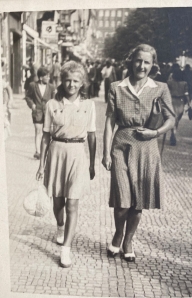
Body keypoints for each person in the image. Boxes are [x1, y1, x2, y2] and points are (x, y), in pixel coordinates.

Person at [102, 44, 175, 262]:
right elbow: (109, 122)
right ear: (131, 61)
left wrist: (155, 132)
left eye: (147, 62)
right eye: (138, 61)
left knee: (138, 201)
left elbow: (171, 119)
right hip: (121, 146)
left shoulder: (160, 88)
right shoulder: (116, 87)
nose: (141, 66)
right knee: (122, 200)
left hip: (147, 149)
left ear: (153, 65)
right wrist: (106, 153)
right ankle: (117, 234)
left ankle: (128, 241)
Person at [36, 61, 96, 268]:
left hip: (78, 154)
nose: (71, 84)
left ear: (82, 83)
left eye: (76, 81)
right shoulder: (52, 105)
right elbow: (45, 137)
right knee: (58, 202)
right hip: (56, 152)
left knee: (72, 203)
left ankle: (66, 250)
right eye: (68, 80)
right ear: (62, 81)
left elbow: (92, 135)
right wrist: (41, 165)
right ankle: (60, 226)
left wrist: (92, 164)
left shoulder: (89, 105)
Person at [25, 66, 55, 159]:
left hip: (48, 113)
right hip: (37, 112)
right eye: (47, 76)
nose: (49, 78)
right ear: (41, 77)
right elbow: (28, 97)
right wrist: (32, 104)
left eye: (49, 76)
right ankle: (37, 152)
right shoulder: (33, 85)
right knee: (38, 131)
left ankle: (46, 151)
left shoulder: (51, 87)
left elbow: (54, 100)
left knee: (47, 132)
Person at [167, 68, 190, 146]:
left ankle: (173, 132)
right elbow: (186, 94)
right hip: (180, 102)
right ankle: (174, 132)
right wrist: (189, 104)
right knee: (177, 120)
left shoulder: (169, 82)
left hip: (171, 101)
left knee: (173, 119)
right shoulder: (184, 83)